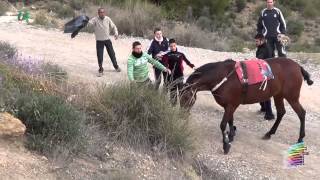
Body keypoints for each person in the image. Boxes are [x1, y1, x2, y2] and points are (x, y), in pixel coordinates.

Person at [88, 7, 121, 76]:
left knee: (112, 54)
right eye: (100, 12)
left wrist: (116, 33)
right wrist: (86, 22)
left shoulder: (107, 19)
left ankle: (116, 66)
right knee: (100, 56)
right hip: (99, 41)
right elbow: (89, 24)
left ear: (104, 13)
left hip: (107, 40)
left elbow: (113, 26)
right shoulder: (95, 19)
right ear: (98, 13)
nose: (102, 14)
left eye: (103, 12)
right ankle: (100, 69)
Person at [162, 39, 195, 105]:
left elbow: (187, 62)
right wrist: (167, 68)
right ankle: (173, 107)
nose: (173, 47)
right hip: (171, 77)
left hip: (180, 76)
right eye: (171, 46)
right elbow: (165, 63)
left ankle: (182, 106)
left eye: (174, 46)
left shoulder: (181, 54)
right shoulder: (167, 55)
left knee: (181, 92)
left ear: (176, 45)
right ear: (169, 47)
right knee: (173, 93)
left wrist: (193, 67)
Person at [255, 33, 275, 120]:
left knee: (264, 92)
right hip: (267, 69)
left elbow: (260, 59)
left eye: (257, 41)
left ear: (262, 40)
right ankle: (264, 108)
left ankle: (269, 113)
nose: (255, 43)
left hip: (265, 70)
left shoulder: (264, 48)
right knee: (261, 90)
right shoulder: (267, 46)